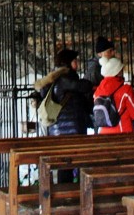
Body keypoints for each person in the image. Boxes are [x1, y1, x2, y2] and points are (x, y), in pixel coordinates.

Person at [33, 48, 93, 181]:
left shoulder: (54, 78)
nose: (77, 63)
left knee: (65, 166)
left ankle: (66, 194)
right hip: (70, 130)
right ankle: (70, 194)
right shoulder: (66, 78)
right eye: (75, 61)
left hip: (58, 130)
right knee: (69, 166)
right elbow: (84, 86)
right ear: (68, 63)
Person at [93, 56, 134, 134]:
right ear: (118, 72)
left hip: (103, 133)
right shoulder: (126, 90)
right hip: (123, 133)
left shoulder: (97, 92)